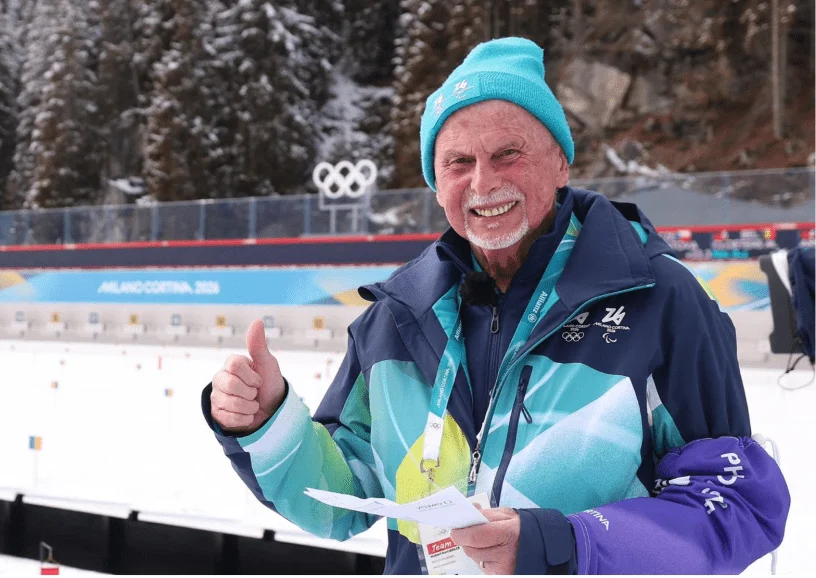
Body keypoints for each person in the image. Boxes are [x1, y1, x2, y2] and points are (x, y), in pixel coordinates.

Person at [202, 37, 790, 574]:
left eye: (508, 154)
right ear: (436, 182)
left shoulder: (659, 300)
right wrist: (267, 422)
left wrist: (561, 545)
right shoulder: (395, 319)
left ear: (561, 164)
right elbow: (343, 497)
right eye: (458, 162)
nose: (483, 182)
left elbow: (734, 506)